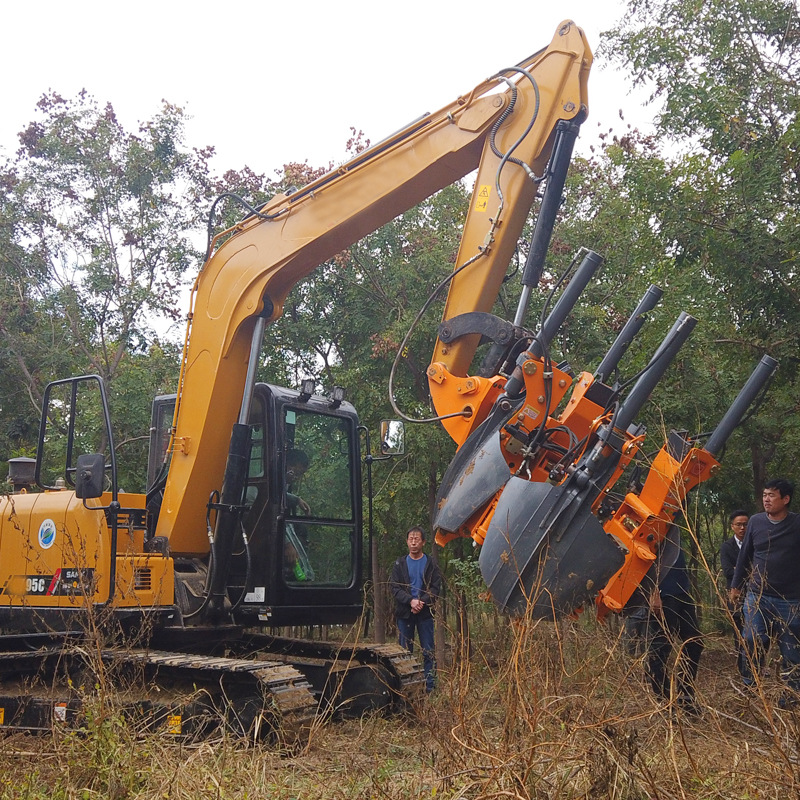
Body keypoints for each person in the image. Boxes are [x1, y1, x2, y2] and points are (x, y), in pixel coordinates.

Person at [731, 479, 800, 705]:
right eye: (765, 495)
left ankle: (790, 697)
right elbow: (745, 555)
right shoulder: (756, 522)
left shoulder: (797, 524)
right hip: (757, 595)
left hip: (789, 599)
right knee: (751, 639)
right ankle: (751, 690)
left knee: (791, 651)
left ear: (786, 499)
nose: (766, 499)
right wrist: (736, 585)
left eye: (772, 495)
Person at [643, 543, 705, 715]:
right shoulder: (650, 519)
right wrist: (653, 590)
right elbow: (640, 553)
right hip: (662, 593)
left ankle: (686, 698)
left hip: (681, 589)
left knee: (694, 643)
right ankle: (664, 701)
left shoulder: (671, 519)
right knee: (661, 648)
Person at [390, 526, 443, 693]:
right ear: (407, 542)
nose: (413, 542)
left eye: (417, 539)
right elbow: (395, 588)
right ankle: (406, 687)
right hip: (405, 614)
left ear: (423, 542)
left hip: (425, 613)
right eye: (411, 539)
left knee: (428, 650)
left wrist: (421, 602)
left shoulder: (431, 563)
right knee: (405, 652)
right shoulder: (399, 563)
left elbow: (435, 588)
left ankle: (430, 687)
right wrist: (410, 601)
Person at [720, 509, 749, 675]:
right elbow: (728, 571)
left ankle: (757, 667)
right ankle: (743, 668)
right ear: (732, 526)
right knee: (739, 634)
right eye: (739, 524)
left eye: (745, 524)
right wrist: (745, 571)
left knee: (756, 634)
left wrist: (739, 569)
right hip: (736, 596)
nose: (742, 528)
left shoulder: (755, 543)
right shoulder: (727, 546)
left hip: (756, 594)